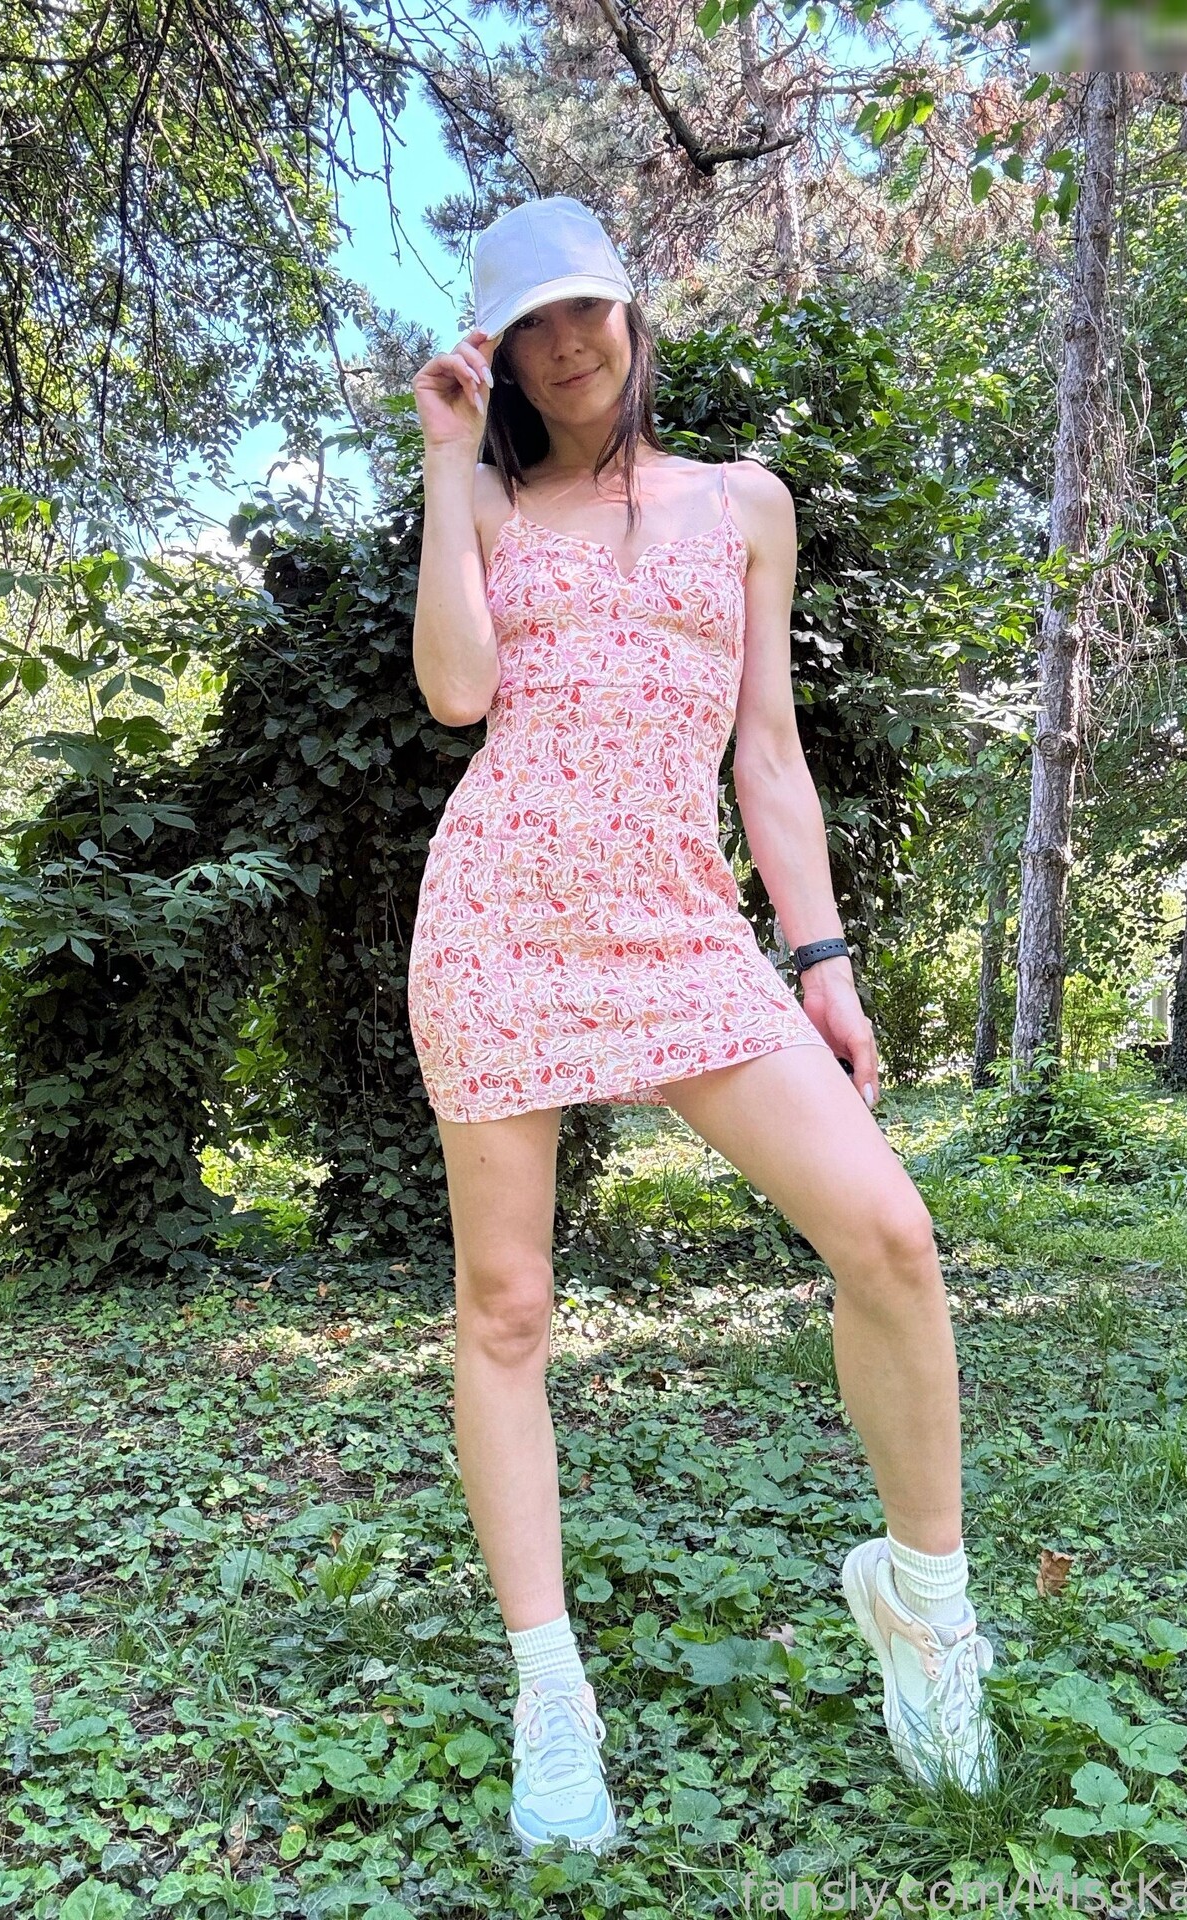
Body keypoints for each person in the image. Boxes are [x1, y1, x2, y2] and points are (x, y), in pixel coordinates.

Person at [405, 195, 999, 1858]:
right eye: (531, 325)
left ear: (632, 311)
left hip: (684, 928)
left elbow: (769, 750)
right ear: (499, 355)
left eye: (587, 308)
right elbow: (456, 691)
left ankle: (928, 1609)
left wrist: (822, 958)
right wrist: (445, 464)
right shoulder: (486, 499)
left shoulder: (745, 503)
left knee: (890, 1236)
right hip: (502, 921)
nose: (567, 345)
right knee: (506, 1307)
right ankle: (551, 1695)